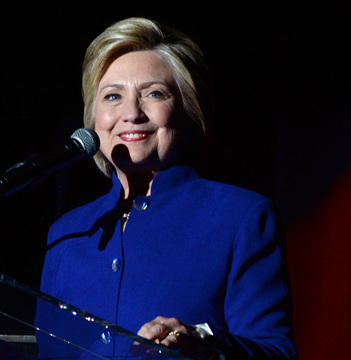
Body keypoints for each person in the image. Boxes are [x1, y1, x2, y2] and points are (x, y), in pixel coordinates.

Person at [35, 17, 298, 360]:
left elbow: (276, 352)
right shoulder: (66, 234)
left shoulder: (241, 217)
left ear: (187, 111)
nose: (131, 112)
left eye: (154, 93)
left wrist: (201, 341)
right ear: (93, 119)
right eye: (113, 96)